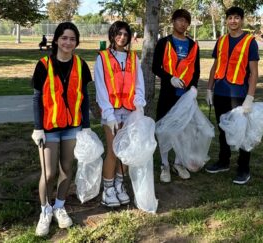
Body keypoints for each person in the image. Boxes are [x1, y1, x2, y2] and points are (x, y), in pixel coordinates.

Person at [31, 22, 92, 236]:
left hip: (72, 127)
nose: (68, 42)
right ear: (56, 40)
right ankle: (44, 210)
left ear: (76, 42)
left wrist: (85, 126)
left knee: (67, 169)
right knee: (49, 173)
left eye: (72, 39)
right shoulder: (43, 65)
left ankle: (59, 206)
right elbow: (37, 98)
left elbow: (84, 99)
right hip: (48, 128)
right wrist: (38, 128)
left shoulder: (81, 65)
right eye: (64, 38)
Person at [94, 21, 146, 207]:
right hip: (112, 112)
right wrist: (109, 115)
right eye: (119, 33)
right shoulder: (103, 58)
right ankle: (107, 189)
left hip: (130, 111)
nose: (122, 37)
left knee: (125, 151)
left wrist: (139, 106)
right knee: (113, 150)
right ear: (112, 35)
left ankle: (119, 184)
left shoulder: (133, 57)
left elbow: (139, 84)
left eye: (125, 34)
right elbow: (101, 88)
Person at [205, 6, 259, 185]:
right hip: (220, 92)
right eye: (230, 18)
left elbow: (253, 72)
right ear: (226, 20)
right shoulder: (220, 40)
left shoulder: (250, 41)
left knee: (242, 132)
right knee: (223, 130)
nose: (233, 21)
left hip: (239, 94)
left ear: (242, 20)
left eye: (237, 18)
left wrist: (250, 98)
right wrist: (209, 89)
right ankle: (223, 161)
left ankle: (244, 168)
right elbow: (215, 66)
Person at [152, 9, 200, 183]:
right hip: (168, 93)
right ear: (173, 22)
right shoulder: (164, 42)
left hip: (185, 95)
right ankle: (164, 164)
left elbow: (196, 69)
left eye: (186, 21)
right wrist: (169, 78)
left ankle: (178, 163)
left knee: (183, 129)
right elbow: (155, 67)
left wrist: (194, 87)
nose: (183, 24)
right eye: (180, 20)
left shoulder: (193, 45)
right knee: (164, 128)